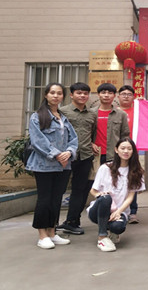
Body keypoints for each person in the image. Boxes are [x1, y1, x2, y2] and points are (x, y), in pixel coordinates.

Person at [26, 82, 78, 250]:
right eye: (52, 93)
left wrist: (69, 152)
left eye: (59, 93)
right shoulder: (37, 117)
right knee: (44, 199)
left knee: (56, 199)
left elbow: (73, 139)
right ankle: (42, 235)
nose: (56, 96)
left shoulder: (63, 118)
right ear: (46, 95)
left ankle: (52, 232)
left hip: (63, 166)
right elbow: (37, 141)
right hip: (44, 165)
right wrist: (56, 154)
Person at [87, 137, 145, 252]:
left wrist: (118, 211)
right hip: (99, 210)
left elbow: (130, 197)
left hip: (119, 211)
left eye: (129, 149)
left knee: (118, 227)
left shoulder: (136, 171)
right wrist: (99, 194)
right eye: (123, 148)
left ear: (133, 151)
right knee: (106, 198)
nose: (126, 151)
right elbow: (93, 190)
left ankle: (113, 231)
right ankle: (102, 237)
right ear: (116, 150)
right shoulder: (105, 168)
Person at [57, 82, 98, 236]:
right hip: (65, 157)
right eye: (79, 93)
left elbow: (92, 133)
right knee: (59, 190)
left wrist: (92, 143)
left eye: (85, 93)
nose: (82, 96)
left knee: (80, 190)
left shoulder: (92, 114)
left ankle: (72, 221)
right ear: (72, 95)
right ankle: (51, 224)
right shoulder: (62, 111)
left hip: (85, 156)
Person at [92, 83, 130, 165]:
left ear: (114, 96)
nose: (106, 95)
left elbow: (125, 135)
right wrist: (90, 144)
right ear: (98, 95)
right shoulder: (90, 113)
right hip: (94, 154)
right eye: (103, 92)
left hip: (114, 154)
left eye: (110, 93)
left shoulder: (121, 114)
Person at [117, 85, 139, 224]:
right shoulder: (114, 112)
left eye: (129, 94)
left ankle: (132, 212)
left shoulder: (138, 110)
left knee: (133, 180)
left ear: (133, 97)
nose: (126, 96)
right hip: (118, 151)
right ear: (118, 96)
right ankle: (115, 209)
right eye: (123, 94)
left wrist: (143, 104)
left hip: (135, 151)